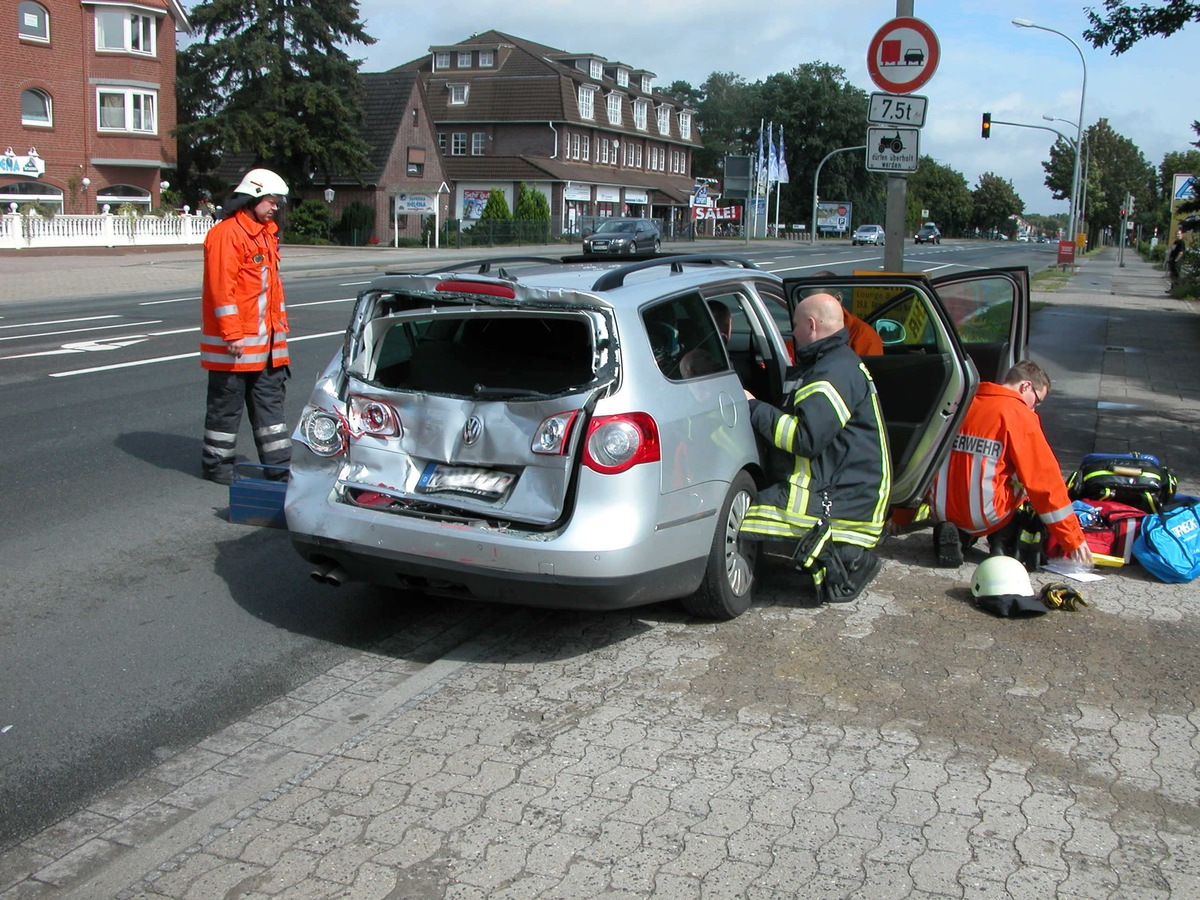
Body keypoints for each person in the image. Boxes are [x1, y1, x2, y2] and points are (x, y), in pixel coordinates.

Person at [740, 293, 893, 604]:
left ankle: (844, 558)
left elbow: (805, 440)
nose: (791, 334)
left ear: (811, 325)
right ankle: (833, 554)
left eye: (795, 326)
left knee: (747, 516)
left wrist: (754, 407)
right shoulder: (836, 363)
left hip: (844, 502)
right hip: (849, 490)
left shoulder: (832, 373)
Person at [928, 360, 1093, 568]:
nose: (1034, 408)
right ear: (1025, 386)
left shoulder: (961, 401)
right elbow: (1045, 482)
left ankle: (960, 535)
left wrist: (901, 517)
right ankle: (1001, 539)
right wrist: (1073, 538)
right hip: (984, 514)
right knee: (1022, 478)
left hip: (940, 507)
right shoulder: (1019, 414)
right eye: (1037, 400)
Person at [200, 168, 292, 485]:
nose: (276, 206)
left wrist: (278, 339)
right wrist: (232, 334)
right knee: (226, 409)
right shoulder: (226, 235)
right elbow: (221, 289)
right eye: (271, 200)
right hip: (235, 346)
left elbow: (270, 293)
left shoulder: (266, 233)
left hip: (266, 346)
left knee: (271, 413)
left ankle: (280, 469)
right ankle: (217, 464)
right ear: (252, 198)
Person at [811, 270, 883, 356]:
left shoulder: (864, 336)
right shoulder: (803, 328)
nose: (809, 309)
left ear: (838, 298)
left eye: (817, 302)